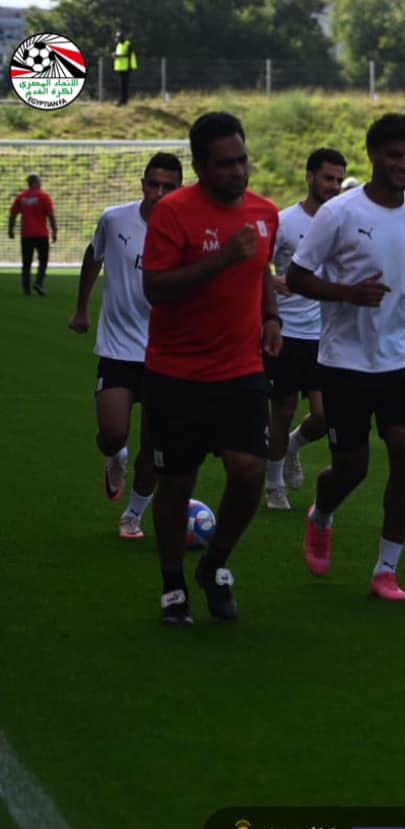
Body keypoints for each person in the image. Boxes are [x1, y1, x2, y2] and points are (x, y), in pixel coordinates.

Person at [288, 113, 405, 602]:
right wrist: (347, 293)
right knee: (352, 468)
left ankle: (386, 569)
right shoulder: (338, 213)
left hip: (402, 358)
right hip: (344, 361)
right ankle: (321, 514)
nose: (404, 165)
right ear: (373, 155)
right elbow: (296, 276)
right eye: (394, 155)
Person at [141, 111, 282, 625]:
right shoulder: (173, 212)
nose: (238, 171)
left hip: (241, 369)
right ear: (200, 167)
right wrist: (221, 258)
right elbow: (155, 288)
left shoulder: (265, 213)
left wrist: (271, 316)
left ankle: (215, 563)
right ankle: (173, 585)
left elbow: (260, 269)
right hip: (176, 373)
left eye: (242, 160)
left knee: (249, 471)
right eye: (225, 164)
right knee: (176, 483)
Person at [69, 152, 183, 538]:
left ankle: (132, 514)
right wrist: (81, 308)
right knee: (113, 434)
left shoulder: (189, 230)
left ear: (180, 189)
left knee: (154, 447)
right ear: (143, 184)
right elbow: (94, 253)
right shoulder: (115, 218)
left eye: (168, 187)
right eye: (153, 184)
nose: (159, 193)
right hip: (118, 348)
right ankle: (115, 455)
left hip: (166, 354)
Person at [264, 147, 347, 511]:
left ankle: (294, 447)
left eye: (339, 180)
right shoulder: (284, 222)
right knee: (281, 410)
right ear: (310, 176)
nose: (334, 186)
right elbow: (258, 265)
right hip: (286, 332)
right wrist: (272, 282)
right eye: (328, 178)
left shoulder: (343, 221)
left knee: (326, 415)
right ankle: (273, 484)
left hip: (326, 334)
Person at [8, 174, 56, 296]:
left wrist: (11, 229)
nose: (41, 184)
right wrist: (54, 230)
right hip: (41, 234)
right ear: (35, 182)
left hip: (26, 234)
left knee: (26, 262)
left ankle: (26, 289)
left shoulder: (21, 197)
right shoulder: (44, 196)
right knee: (43, 260)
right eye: (39, 182)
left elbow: (13, 214)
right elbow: (50, 215)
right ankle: (39, 282)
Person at [113, 31, 138, 106]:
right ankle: (123, 100)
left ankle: (123, 100)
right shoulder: (118, 45)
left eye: (118, 37)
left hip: (126, 67)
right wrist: (115, 55)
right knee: (121, 85)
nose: (117, 39)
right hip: (120, 68)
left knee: (124, 85)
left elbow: (129, 55)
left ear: (122, 37)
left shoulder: (128, 44)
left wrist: (119, 56)